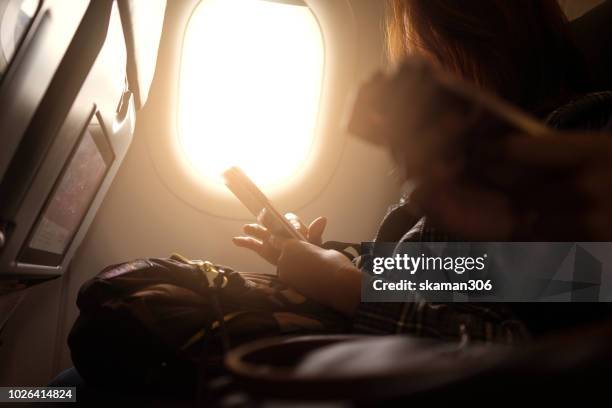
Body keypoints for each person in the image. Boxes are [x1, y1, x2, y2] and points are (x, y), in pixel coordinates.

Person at [233, 0, 612, 340]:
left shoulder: (581, 133)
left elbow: (511, 345)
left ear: (490, 46)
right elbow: (451, 271)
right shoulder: (460, 161)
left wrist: (345, 286)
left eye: (433, 62)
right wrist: (330, 258)